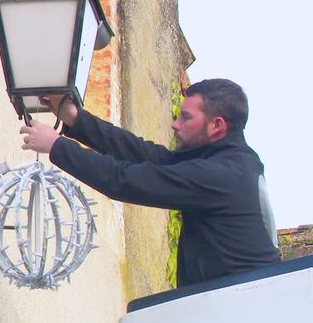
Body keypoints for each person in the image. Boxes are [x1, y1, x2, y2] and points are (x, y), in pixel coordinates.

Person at [20, 79, 279, 287]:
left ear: (217, 126)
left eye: (186, 118)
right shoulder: (230, 164)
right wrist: (76, 119)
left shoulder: (223, 175)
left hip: (234, 320)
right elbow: (150, 157)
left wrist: (56, 146)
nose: (175, 124)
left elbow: (124, 180)